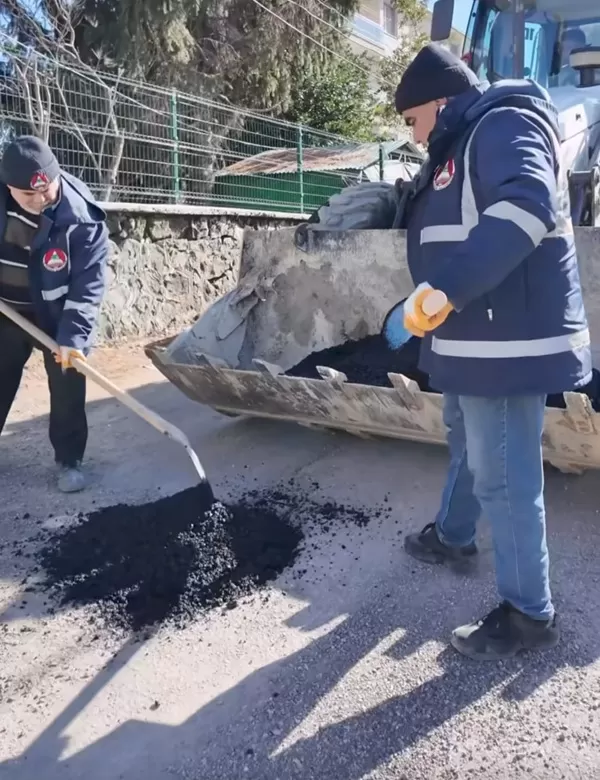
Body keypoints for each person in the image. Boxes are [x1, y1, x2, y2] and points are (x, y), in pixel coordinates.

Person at [392, 44, 591, 660]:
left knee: (504, 476)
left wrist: (445, 288)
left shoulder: (504, 122)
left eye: (413, 118)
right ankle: (454, 537)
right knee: (466, 438)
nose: (413, 133)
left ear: (440, 101)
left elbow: (527, 206)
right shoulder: (461, 141)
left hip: (508, 343)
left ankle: (529, 613)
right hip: (473, 336)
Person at [0, 136, 108, 493]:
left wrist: (73, 337)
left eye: (46, 189)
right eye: (27, 195)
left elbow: (88, 285)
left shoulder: (81, 217)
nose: (39, 200)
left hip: (56, 317)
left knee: (67, 382)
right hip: (7, 311)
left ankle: (69, 459)